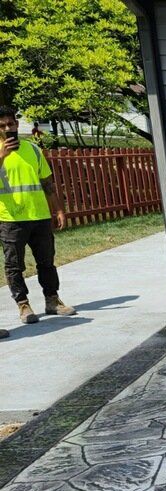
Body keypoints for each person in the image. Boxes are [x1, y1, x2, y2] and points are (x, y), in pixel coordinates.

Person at [0, 105, 74, 333]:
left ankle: (52, 300)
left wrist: (59, 210)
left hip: (40, 216)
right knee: (14, 265)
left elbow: (48, 183)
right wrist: (2, 156)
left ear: (17, 124)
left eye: (11, 124)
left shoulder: (33, 150)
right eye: (2, 126)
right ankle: (23, 305)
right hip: (11, 219)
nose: (7, 128)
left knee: (47, 261)